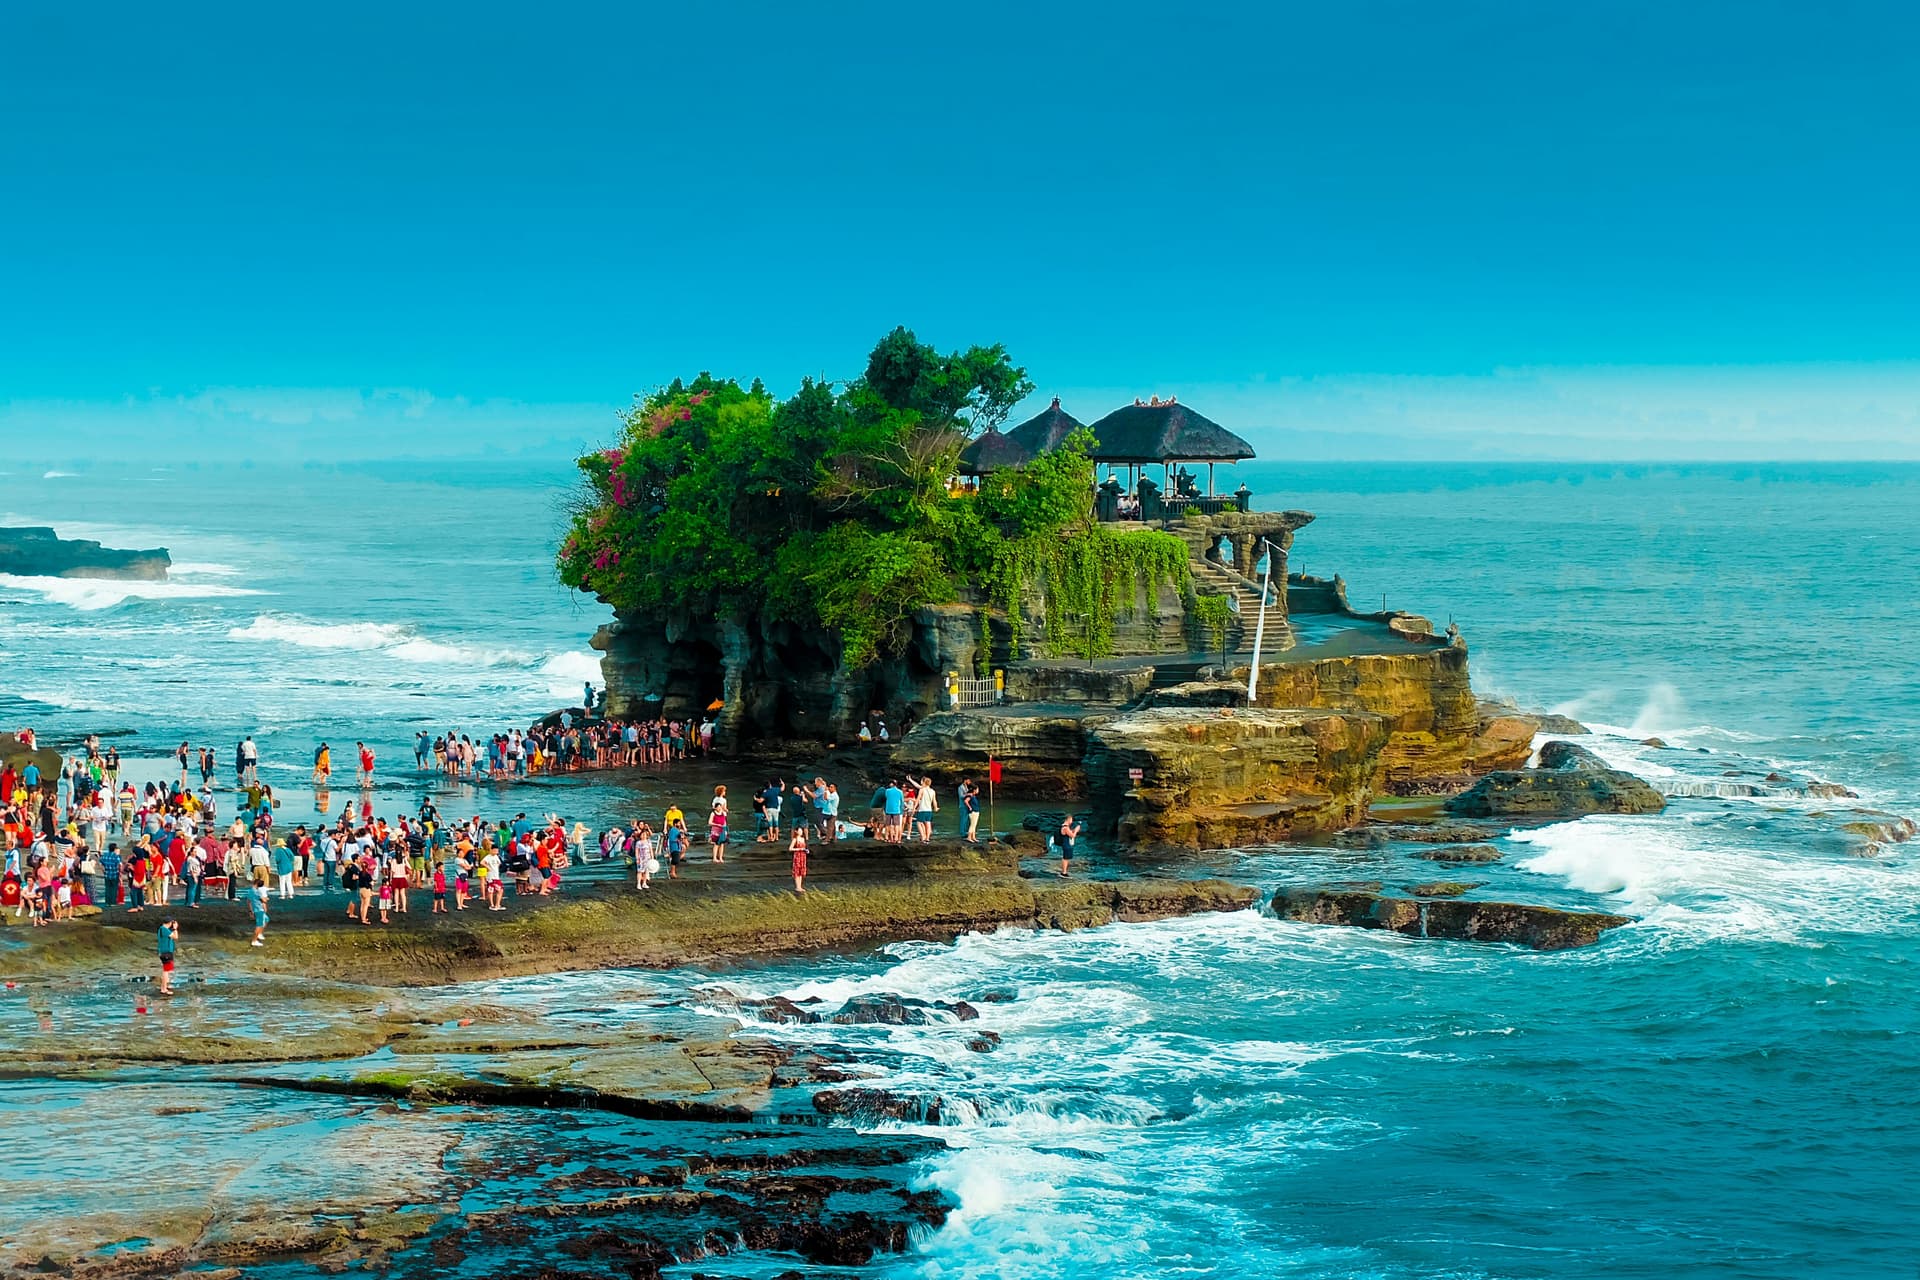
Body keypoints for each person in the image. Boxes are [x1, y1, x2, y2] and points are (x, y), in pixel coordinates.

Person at [156, 917, 179, 994]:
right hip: (165, 952)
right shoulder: (164, 929)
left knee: (168, 970)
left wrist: (173, 929)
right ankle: (163, 989)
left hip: (166, 952)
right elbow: (176, 937)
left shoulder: (164, 929)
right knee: (166, 971)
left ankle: (165, 985)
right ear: (169, 923)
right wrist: (175, 928)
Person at [1056, 813, 1082, 878]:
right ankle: (1064, 872)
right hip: (1066, 844)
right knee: (1065, 858)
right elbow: (1072, 835)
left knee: (1066, 858)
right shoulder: (1065, 827)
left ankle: (1064, 872)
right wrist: (1076, 830)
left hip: (1066, 844)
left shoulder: (1065, 827)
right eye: (1071, 820)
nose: (1072, 821)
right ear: (1069, 819)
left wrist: (1074, 830)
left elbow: (1069, 833)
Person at [248, 870, 270, 946]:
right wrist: (266, 898)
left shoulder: (250, 891)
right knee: (259, 925)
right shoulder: (257, 892)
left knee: (266, 919)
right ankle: (254, 940)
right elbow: (264, 900)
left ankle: (259, 933)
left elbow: (249, 902)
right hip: (259, 909)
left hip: (255, 909)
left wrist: (250, 911)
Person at [913, 776, 938, 842]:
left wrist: (914, 808)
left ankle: (923, 836)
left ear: (924, 782)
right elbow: (934, 801)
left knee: (918, 823)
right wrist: (935, 808)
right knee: (928, 823)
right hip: (929, 810)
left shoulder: (922, 790)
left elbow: (918, 799)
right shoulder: (932, 791)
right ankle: (927, 838)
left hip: (922, 809)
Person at [789, 826, 809, 895]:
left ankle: (800, 886)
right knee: (797, 871)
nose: (801, 832)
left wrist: (806, 850)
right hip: (797, 856)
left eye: (801, 831)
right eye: (799, 831)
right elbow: (790, 848)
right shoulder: (795, 839)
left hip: (803, 856)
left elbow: (804, 847)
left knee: (801, 871)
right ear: (796, 831)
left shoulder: (803, 839)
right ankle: (797, 886)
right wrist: (799, 849)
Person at [960, 778, 980, 842]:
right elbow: (966, 801)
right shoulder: (970, 795)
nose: (978, 790)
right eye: (977, 789)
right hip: (973, 811)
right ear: (974, 790)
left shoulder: (973, 796)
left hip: (976, 811)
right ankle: (969, 837)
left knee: (974, 825)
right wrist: (970, 807)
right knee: (972, 825)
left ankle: (973, 837)